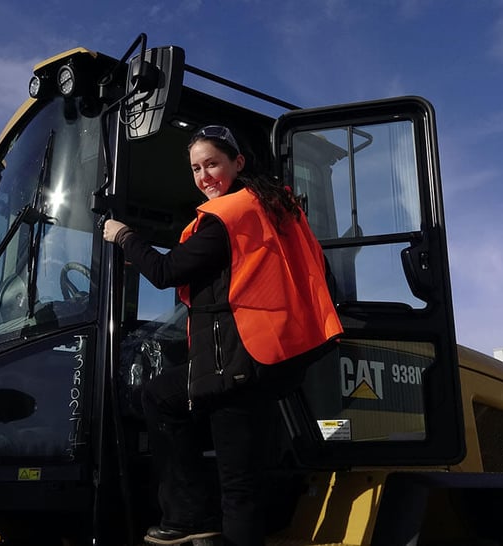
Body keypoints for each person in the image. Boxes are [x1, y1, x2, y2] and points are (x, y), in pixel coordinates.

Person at [102, 125, 342, 546]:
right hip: (273, 358)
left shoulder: (226, 218)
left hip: (236, 360)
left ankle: (187, 515)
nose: (204, 176)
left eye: (212, 163)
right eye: (196, 168)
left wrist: (123, 236)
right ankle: (190, 513)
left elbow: (164, 272)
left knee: (164, 404)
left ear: (238, 162)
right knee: (244, 478)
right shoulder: (277, 210)